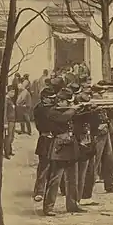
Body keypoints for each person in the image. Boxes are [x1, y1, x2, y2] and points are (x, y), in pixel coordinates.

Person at [41, 88, 85, 216]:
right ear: (60, 101)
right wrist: (74, 109)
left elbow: (81, 118)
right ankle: (48, 207)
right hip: (59, 147)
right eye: (67, 101)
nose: (69, 104)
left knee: (72, 178)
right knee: (55, 179)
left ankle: (73, 204)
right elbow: (63, 118)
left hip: (71, 146)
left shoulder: (69, 110)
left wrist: (88, 109)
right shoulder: (52, 112)